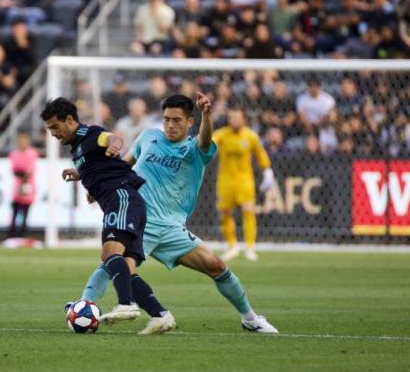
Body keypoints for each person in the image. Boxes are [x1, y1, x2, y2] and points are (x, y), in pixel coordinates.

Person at [77, 93, 278, 334]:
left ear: (190, 122)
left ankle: (250, 318)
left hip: (172, 227)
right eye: (166, 119)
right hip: (140, 219)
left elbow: (205, 141)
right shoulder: (149, 136)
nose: (170, 125)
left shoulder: (195, 149)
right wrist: (99, 185)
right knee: (113, 263)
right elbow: (124, 165)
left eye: (177, 120)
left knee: (217, 266)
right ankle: (85, 305)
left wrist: (207, 113)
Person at [41, 97, 171, 329]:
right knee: (126, 270)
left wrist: (115, 144)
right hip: (129, 202)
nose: (53, 133)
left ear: (69, 120)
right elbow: (98, 164)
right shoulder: (78, 148)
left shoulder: (89, 133)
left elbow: (110, 138)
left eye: (54, 127)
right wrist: (82, 175)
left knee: (109, 254)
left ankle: (126, 304)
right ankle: (161, 315)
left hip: (121, 199)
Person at [212, 107, 274, 261]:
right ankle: (232, 246)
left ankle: (250, 247)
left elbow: (260, 153)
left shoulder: (250, 136)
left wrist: (267, 170)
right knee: (225, 213)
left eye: (238, 118)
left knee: (248, 211)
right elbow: (208, 145)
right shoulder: (221, 135)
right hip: (225, 180)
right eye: (232, 118)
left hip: (245, 180)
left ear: (244, 119)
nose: (235, 121)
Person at [8, 132, 39, 239]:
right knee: (15, 210)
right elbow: (15, 170)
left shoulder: (32, 153)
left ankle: (21, 234)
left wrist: (24, 181)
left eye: (24, 140)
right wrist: (23, 175)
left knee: (25, 210)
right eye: (20, 140)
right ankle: (12, 234)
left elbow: (29, 171)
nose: (22, 143)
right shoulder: (14, 154)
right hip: (17, 186)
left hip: (28, 186)